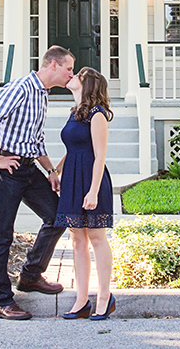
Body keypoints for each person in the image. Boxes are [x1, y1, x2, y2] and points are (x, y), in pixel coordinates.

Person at [0, 45, 76, 320]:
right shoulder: (21, 87)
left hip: (28, 167)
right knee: (2, 235)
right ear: (54, 65)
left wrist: (50, 171)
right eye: (69, 68)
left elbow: (35, 139)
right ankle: (2, 300)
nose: (71, 74)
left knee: (58, 216)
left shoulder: (42, 95)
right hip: (5, 168)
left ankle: (31, 276)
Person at [53, 67, 115, 320]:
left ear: (87, 84)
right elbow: (75, 148)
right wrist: (56, 170)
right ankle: (81, 300)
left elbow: (99, 155)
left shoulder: (97, 115)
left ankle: (104, 297)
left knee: (97, 238)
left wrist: (93, 191)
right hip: (71, 180)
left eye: (78, 74)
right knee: (77, 240)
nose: (72, 76)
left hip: (91, 180)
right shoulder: (74, 113)